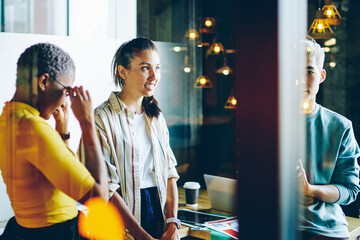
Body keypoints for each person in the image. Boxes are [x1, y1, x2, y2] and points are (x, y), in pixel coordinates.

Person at [0, 43, 108, 240]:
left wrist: (62, 130)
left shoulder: (8, 118)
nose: (65, 101)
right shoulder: (33, 129)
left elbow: (49, 173)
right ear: (44, 81)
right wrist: (87, 123)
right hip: (57, 233)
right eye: (66, 91)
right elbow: (99, 196)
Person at [79, 37, 180, 240]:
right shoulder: (100, 119)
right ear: (122, 72)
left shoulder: (156, 117)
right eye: (145, 68)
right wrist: (139, 235)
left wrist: (172, 222)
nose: (154, 76)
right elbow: (106, 187)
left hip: (158, 214)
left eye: (157, 68)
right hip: (119, 224)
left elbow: (169, 174)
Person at [297, 37, 360, 240]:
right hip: (272, 223)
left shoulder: (340, 127)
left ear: (321, 76)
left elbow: (349, 189)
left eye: (308, 72)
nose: (299, 80)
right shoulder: (267, 122)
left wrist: (309, 190)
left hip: (322, 230)